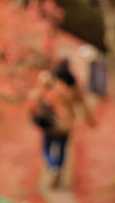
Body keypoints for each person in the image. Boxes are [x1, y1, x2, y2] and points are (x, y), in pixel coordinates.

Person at [29, 58, 95, 189]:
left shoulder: (50, 82)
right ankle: (58, 169)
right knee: (63, 148)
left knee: (47, 148)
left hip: (51, 122)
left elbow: (35, 96)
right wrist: (90, 119)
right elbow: (82, 103)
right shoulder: (73, 85)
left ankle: (53, 167)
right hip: (66, 123)